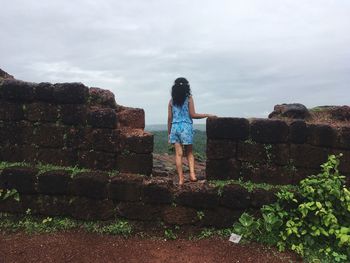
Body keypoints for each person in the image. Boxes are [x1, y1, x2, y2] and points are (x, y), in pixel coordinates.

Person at [167, 77, 216, 186]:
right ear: (186, 87)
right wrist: (207, 114)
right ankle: (192, 175)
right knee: (189, 153)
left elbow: (170, 118)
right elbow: (193, 115)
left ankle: (181, 179)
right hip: (186, 127)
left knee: (178, 154)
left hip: (175, 128)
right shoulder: (189, 98)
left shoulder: (171, 101)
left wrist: (169, 133)